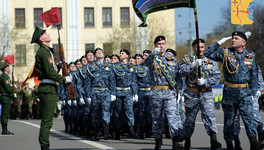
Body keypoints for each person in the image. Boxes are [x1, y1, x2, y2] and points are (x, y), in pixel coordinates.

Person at [204, 31, 264, 150]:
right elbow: (207, 53)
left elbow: (253, 75)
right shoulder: (225, 53)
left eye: (236, 38)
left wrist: (254, 92)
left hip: (245, 93)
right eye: (232, 38)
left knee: (249, 120)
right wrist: (218, 43)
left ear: (243, 42)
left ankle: (254, 144)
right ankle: (230, 145)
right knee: (229, 122)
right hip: (229, 92)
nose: (233, 40)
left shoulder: (250, 56)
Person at [31, 26, 72, 150]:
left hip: (50, 88)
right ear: (41, 39)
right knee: (47, 120)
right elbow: (49, 72)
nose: (47, 34)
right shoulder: (44, 52)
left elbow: (50, 69)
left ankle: (45, 144)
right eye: (45, 33)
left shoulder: (47, 51)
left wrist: (60, 65)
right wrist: (63, 79)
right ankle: (44, 145)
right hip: (48, 88)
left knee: (48, 119)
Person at [179, 39, 222, 150]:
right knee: (190, 119)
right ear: (194, 48)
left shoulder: (210, 61)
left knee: (209, 116)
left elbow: (217, 77)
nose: (200, 49)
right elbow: (181, 72)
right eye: (198, 47)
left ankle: (214, 140)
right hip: (191, 94)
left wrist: (206, 82)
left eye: (202, 47)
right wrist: (193, 65)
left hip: (205, 93)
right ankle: (187, 142)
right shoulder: (187, 59)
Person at [143, 35, 183, 150]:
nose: (161, 46)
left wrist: (179, 90)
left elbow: (178, 75)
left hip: (169, 92)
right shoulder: (152, 58)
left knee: (172, 117)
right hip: (156, 92)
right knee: (157, 119)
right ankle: (157, 141)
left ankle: (175, 142)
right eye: (159, 44)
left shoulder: (172, 58)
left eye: (163, 44)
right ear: (155, 45)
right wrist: (152, 54)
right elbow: (145, 64)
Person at [86, 48, 116, 140]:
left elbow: (112, 80)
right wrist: (88, 95)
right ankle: (96, 133)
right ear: (95, 55)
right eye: (97, 52)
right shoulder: (91, 66)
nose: (99, 53)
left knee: (105, 111)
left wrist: (113, 93)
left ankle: (106, 132)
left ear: (103, 54)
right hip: (94, 92)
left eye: (101, 52)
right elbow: (88, 82)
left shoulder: (109, 66)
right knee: (95, 113)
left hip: (106, 91)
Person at [112, 49, 138, 140]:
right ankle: (117, 131)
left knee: (129, 111)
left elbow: (134, 81)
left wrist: (135, 93)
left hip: (128, 92)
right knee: (118, 112)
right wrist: (113, 93)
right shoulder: (115, 66)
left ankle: (131, 130)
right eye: (120, 53)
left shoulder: (132, 67)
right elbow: (113, 80)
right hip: (118, 92)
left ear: (127, 56)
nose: (120, 54)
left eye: (122, 53)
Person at [134, 53, 152, 139]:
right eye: (136, 58)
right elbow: (134, 82)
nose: (137, 60)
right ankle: (141, 132)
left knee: (149, 113)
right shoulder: (136, 69)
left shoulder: (150, 68)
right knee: (141, 113)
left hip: (149, 92)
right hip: (140, 92)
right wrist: (135, 93)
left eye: (139, 58)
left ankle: (149, 131)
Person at [0, 60, 15, 135]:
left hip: (6, 96)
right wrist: (13, 94)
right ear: (5, 69)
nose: (9, 68)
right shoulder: (4, 77)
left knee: (5, 113)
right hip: (5, 96)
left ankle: (4, 129)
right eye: (7, 67)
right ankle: (4, 130)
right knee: (5, 113)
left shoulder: (6, 77)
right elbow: (8, 88)